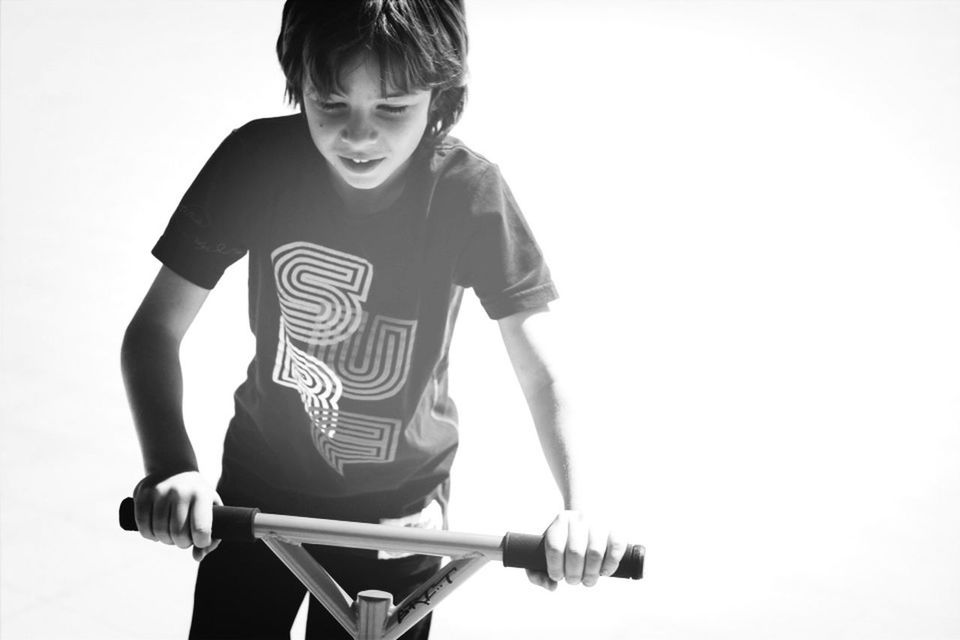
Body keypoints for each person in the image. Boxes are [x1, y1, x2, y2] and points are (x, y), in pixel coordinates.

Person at [122, 0, 626, 637]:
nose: (359, 136)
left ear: (440, 96)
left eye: (393, 109)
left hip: (401, 521)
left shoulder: (469, 194)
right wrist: (171, 466)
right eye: (331, 104)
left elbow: (544, 369)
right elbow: (154, 331)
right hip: (257, 499)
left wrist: (583, 509)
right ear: (298, 83)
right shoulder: (254, 165)